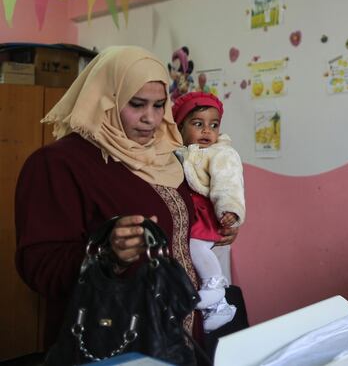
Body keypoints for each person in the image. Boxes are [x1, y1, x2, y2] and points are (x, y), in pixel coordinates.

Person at [14, 46, 240, 350]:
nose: (151, 118)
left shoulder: (170, 157)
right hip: (113, 338)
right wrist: (107, 255)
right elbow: (38, 266)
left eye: (160, 105)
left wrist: (216, 227)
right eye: (137, 104)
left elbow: (180, 233)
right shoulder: (59, 163)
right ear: (107, 99)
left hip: (180, 335)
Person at [171, 91, 245, 332]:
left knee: (197, 247)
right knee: (195, 251)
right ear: (180, 127)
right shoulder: (177, 152)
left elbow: (228, 183)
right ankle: (215, 302)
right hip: (191, 218)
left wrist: (229, 209)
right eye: (197, 124)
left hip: (204, 216)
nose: (207, 131)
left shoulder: (221, 153)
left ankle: (216, 294)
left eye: (213, 125)